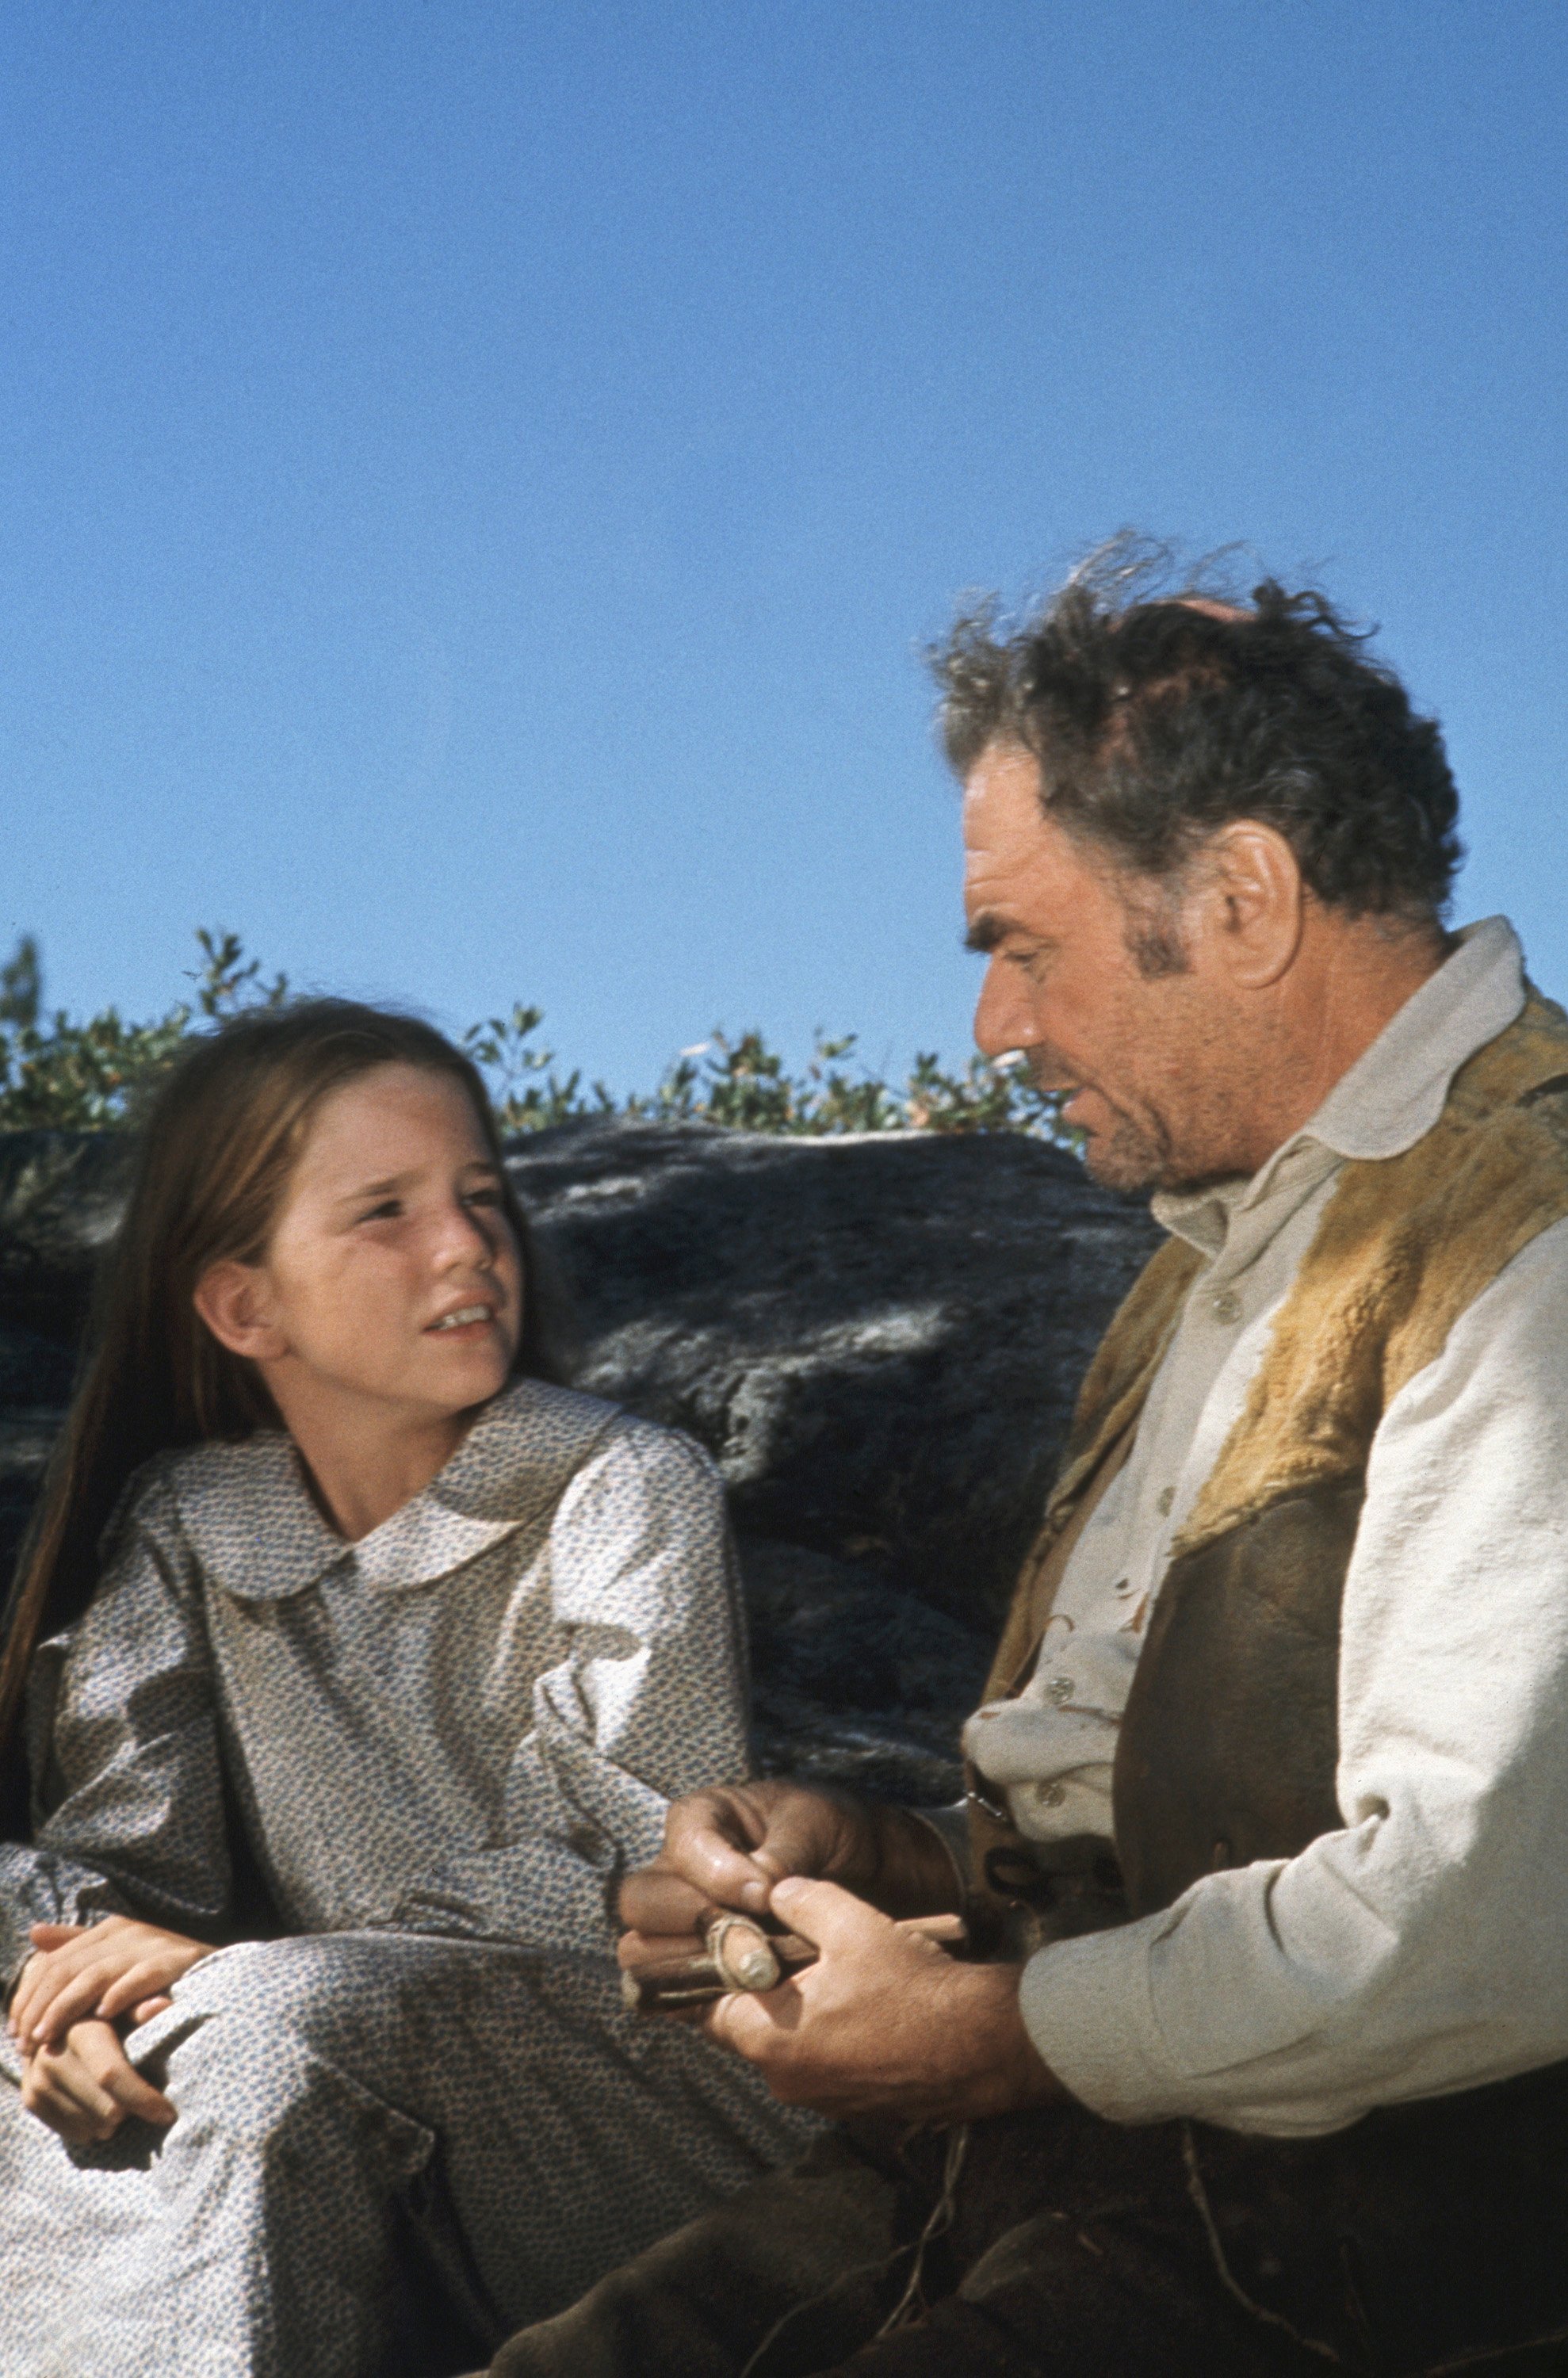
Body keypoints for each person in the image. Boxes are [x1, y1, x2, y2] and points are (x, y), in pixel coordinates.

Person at [476, 550, 1568, 2377]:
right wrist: (880, 1853)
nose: (992, 1027)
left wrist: (991, 2036)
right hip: (1045, 2166)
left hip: (1362, 2255)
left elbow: (1472, 1917)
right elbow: (1118, 1832)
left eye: (1018, 943)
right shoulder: (1202, 1269)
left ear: (1238, 898)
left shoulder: (1523, 1238)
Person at [0, 1001, 816, 2377]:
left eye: (480, 1198)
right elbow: (134, 1878)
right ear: (244, 1304)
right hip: (330, 2063)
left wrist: (227, 1973)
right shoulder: (191, 1524)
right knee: (84, 2054)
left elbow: (635, 1872)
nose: (467, 1247)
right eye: (385, 1211)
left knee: (261, 2034)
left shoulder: (621, 1485)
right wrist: (68, 1992)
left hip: (639, 2090)